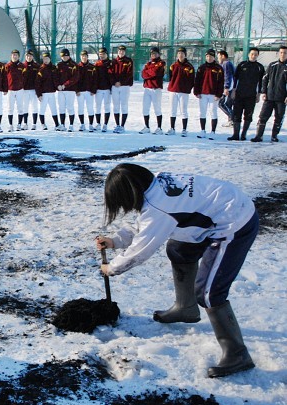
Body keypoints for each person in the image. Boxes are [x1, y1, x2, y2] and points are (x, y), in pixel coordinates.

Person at [96, 163, 258, 378]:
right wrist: (115, 241)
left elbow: (142, 249)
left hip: (234, 222)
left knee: (209, 292)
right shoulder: (156, 184)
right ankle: (186, 307)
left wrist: (112, 268)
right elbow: (146, 224)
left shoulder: (158, 208)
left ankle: (237, 354)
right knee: (178, 249)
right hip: (218, 210)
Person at [251, 45, 287, 143]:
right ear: (278, 53)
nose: (283, 54)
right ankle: (259, 136)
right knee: (263, 116)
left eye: (285, 53)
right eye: (281, 52)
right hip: (269, 97)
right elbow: (265, 79)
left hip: (281, 98)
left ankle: (274, 136)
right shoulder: (272, 65)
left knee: (278, 118)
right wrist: (264, 91)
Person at [228, 47, 264, 141]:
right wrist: (234, 91)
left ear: (257, 56)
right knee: (236, 114)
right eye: (252, 54)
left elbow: (261, 82)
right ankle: (236, 135)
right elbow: (235, 79)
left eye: (255, 54)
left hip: (251, 96)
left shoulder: (260, 67)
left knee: (248, 116)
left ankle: (243, 134)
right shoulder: (242, 64)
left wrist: (258, 94)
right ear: (248, 54)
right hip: (239, 94)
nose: (253, 56)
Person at [194, 49, 224, 140]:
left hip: (213, 94)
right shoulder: (201, 68)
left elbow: (221, 82)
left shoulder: (218, 68)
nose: (209, 58)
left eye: (210, 56)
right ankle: (203, 130)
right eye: (207, 56)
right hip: (203, 93)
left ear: (213, 57)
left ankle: (213, 131)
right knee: (202, 112)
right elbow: (197, 81)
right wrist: (197, 92)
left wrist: (218, 94)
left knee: (213, 112)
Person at [166, 47, 195, 137]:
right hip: (173, 90)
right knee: (172, 110)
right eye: (179, 53)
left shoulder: (189, 67)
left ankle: (184, 129)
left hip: (183, 92)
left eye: (182, 53)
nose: (180, 55)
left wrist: (187, 88)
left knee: (183, 111)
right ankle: (172, 128)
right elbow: (170, 77)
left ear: (185, 55)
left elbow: (192, 80)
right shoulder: (173, 66)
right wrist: (173, 86)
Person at [140, 47, 166, 134]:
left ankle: (159, 128)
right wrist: (148, 72)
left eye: (155, 53)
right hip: (147, 88)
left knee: (157, 108)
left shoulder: (161, 63)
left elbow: (155, 72)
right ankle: (146, 126)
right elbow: (143, 74)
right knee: (145, 108)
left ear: (158, 54)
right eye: (152, 54)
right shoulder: (148, 64)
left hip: (156, 88)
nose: (153, 55)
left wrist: (148, 72)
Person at [110, 45, 134, 133]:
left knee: (124, 105)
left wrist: (121, 82)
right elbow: (110, 73)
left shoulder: (128, 61)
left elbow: (129, 74)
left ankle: (122, 126)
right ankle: (117, 125)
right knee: (116, 106)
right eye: (120, 51)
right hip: (115, 86)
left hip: (125, 86)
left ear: (125, 52)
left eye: (123, 51)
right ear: (118, 51)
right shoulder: (113, 61)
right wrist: (114, 82)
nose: (121, 52)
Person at [55, 48, 78, 132]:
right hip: (61, 90)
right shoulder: (59, 65)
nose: (64, 57)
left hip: (70, 90)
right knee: (61, 107)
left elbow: (75, 78)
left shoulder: (74, 65)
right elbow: (56, 77)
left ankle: (71, 125)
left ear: (68, 55)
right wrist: (58, 85)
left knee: (70, 107)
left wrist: (65, 85)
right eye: (62, 56)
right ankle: (62, 125)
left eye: (65, 56)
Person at [76, 50, 98, 132]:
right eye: (82, 56)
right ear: (80, 57)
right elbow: (75, 80)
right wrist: (76, 90)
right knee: (80, 108)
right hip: (80, 92)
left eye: (85, 56)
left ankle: (91, 125)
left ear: (87, 57)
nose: (84, 57)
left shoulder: (92, 67)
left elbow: (95, 80)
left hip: (89, 91)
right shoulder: (77, 67)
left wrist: (93, 90)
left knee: (90, 108)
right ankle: (82, 124)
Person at [5, 49, 25, 132]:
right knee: (10, 108)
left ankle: (19, 124)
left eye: (16, 55)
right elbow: (4, 77)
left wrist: (22, 86)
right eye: (13, 55)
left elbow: (25, 77)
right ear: (11, 56)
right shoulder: (7, 66)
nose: (14, 56)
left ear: (19, 56)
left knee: (20, 108)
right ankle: (10, 125)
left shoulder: (22, 66)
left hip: (20, 89)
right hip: (10, 90)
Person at [94, 47, 112, 133]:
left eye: (103, 54)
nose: (102, 56)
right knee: (97, 106)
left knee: (107, 106)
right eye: (100, 54)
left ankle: (105, 124)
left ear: (106, 54)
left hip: (107, 89)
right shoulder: (97, 64)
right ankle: (98, 123)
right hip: (98, 89)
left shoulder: (111, 63)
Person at [22, 49, 40, 130]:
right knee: (25, 106)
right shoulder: (22, 66)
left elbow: (39, 79)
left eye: (30, 56)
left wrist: (38, 90)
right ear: (25, 56)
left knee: (34, 107)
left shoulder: (37, 66)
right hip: (25, 90)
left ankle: (34, 124)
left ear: (32, 56)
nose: (29, 57)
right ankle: (25, 123)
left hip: (33, 90)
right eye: (27, 56)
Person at [218, 50, 236, 127]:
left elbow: (227, 76)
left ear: (222, 56)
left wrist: (226, 87)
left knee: (221, 104)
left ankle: (233, 119)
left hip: (228, 88)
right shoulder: (228, 63)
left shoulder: (226, 64)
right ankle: (231, 121)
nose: (218, 58)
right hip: (230, 88)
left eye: (218, 56)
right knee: (228, 104)